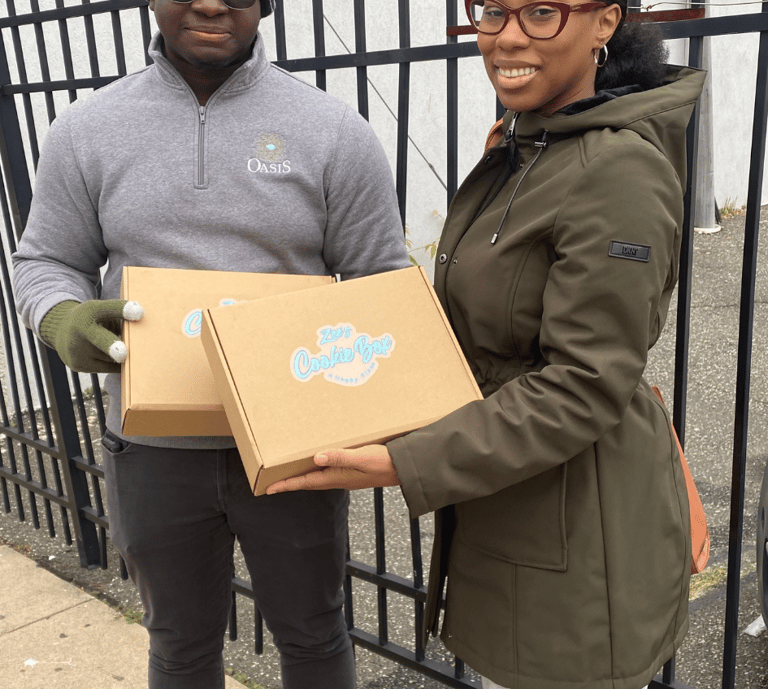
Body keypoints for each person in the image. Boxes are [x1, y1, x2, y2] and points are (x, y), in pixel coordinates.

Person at [266, 1, 706, 688]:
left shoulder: (617, 169)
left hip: (582, 520)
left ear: (605, 23)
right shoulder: (527, 143)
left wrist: (403, 460)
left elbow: (584, 382)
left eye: (541, 12)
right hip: (514, 492)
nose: (505, 37)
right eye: (494, 11)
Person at [12, 0, 409, 687]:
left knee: (315, 635)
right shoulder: (86, 130)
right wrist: (60, 317)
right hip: (149, 450)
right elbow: (44, 259)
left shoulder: (334, 132)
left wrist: (364, 383)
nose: (210, 2)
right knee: (178, 643)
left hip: (292, 453)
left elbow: (384, 282)